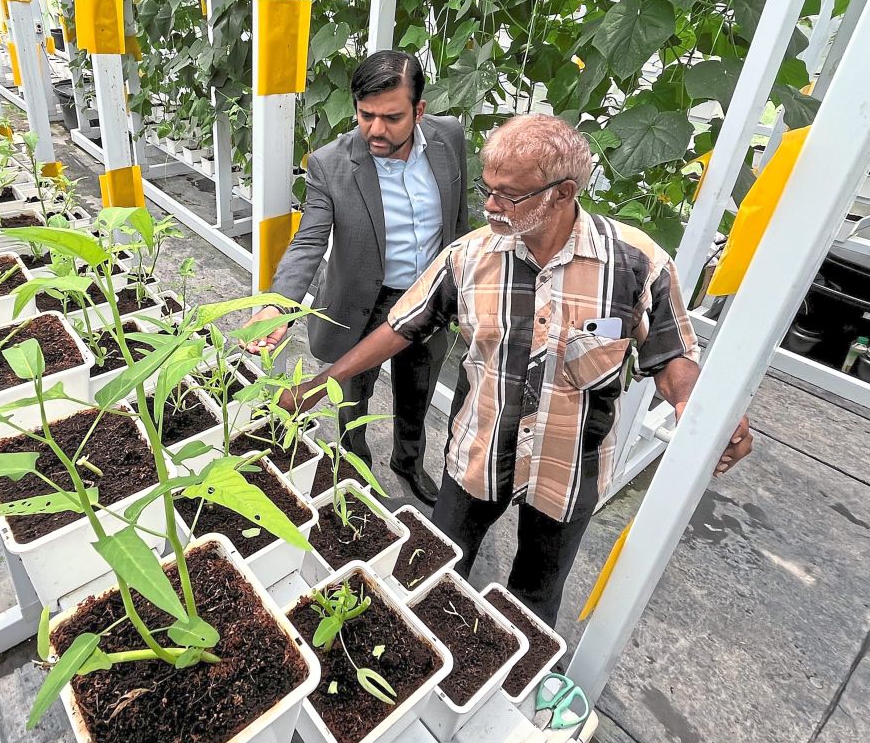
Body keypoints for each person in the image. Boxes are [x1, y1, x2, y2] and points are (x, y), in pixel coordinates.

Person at [277, 114, 753, 626]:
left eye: (509, 195)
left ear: (563, 192)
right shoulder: (470, 256)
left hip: (569, 466)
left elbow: (673, 353)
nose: (489, 205)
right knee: (435, 571)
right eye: (487, 188)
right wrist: (319, 384)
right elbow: (401, 326)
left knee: (535, 597)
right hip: (477, 453)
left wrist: (698, 407)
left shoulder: (635, 263)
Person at [244, 50, 470, 505]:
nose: (375, 130)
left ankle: (408, 461)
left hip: (428, 298)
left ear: (419, 111)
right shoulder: (330, 164)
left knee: (418, 391)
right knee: (352, 396)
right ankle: (355, 463)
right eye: (366, 116)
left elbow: (459, 215)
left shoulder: (450, 139)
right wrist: (277, 304)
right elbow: (309, 240)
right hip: (363, 304)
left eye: (391, 117)